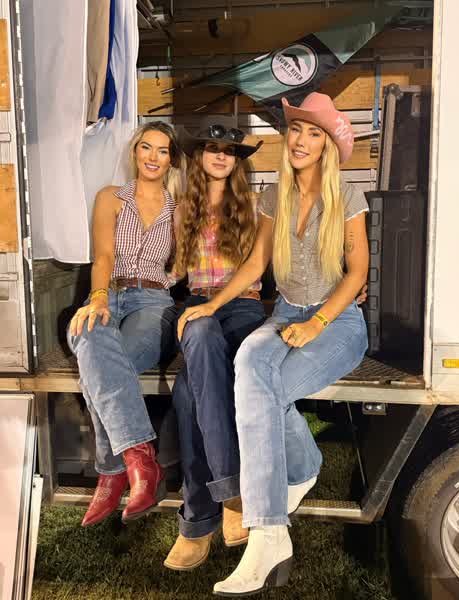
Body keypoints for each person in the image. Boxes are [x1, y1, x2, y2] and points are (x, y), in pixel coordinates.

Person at [177, 92, 369, 596]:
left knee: (265, 391)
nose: (301, 140)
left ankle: (268, 530)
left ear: (327, 145)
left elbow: (358, 272)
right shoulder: (272, 196)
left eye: (313, 133)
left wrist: (319, 322)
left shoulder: (348, 196)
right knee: (248, 364)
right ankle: (294, 483)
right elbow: (256, 265)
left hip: (339, 321)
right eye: (296, 130)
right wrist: (213, 305)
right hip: (284, 312)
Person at [67, 121, 185, 527]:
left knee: (103, 367)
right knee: (88, 335)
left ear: (171, 159)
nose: (153, 157)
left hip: (153, 300)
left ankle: (110, 470)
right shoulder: (110, 197)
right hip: (109, 291)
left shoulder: (179, 207)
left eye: (163, 150)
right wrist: (98, 297)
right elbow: (103, 255)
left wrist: (169, 280)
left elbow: (186, 259)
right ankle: (140, 461)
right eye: (146, 147)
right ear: (135, 152)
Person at [163, 122, 267, 571]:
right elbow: (172, 270)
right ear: (200, 156)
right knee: (200, 333)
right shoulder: (183, 208)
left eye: (230, 150)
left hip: (242, 305)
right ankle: (232, 493)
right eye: (212, 147)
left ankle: (196, 522)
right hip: (198, 303)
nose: (221, 155)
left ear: (238, 160)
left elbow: (277, 256)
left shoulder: (256, 206)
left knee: (189, 393)